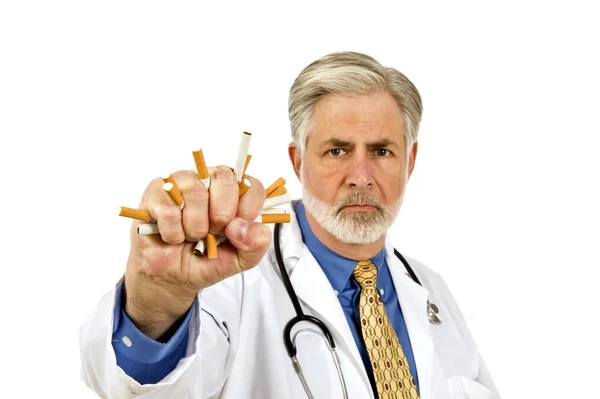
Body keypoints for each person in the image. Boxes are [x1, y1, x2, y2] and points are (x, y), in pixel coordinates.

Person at [79, 51, 501, 399]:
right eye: (337, 151)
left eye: (382, 151)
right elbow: (140, 389)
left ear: (409, 162)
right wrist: (158, 298)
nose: (360, 175)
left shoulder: (432, 290)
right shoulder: (230, 279)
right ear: (298, 161)